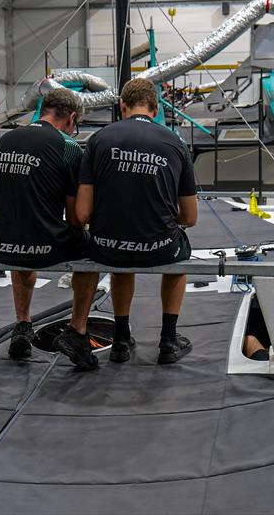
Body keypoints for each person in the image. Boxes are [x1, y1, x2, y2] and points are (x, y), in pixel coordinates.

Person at [60, 77, 198, 365]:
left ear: (122, 106)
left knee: (120, 261)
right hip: (159, 246)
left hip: (108, 246)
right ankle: (168, 341)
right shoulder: (175, 143)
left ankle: (121, 340)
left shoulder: (98, 140)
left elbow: (83, 214)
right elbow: (190, 217)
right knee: (179, 261)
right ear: (155, 108)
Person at [0, 88, 99, 368]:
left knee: (25, 229)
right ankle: (77, 330)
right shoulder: (68, 147)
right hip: (41, 246)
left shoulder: (4, 140)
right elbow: (75, 219)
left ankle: (23, 324)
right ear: (71, 118)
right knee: (94, 250)